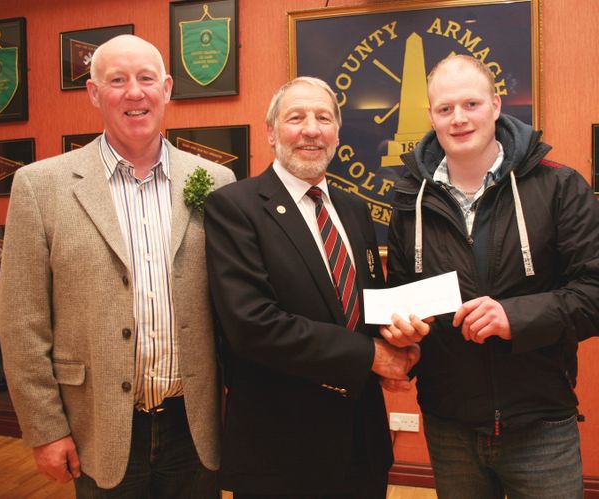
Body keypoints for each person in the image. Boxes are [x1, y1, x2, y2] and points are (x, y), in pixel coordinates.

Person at [0, 35, 235, 497]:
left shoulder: (216, 183)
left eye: (146, 79)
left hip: (194, 426)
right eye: (117, 80)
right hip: (97, 426)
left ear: (166, 89)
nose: (134, 92)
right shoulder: (40, 187)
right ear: (93, 93)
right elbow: (22, 323)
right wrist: (46, 429)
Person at [383, 54, 599, 498]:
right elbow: (399, 297)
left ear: (496, 105)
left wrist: (515, 317)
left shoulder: (559, 186)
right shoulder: (409, 201)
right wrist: (400, 331)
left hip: (541, 425)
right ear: (431, 117)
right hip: (449, 425)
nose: (459, 119)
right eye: (445, 109)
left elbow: (594, 291)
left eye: (471, 104)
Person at [204, 76, 424, 498]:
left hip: (362, 444)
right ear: (271, 132)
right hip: (280, 453)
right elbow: (252, 325)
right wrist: (371, 356)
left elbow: (362, 307)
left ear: (337, 134)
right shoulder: (235, 207)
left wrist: (400, 343)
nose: (311, 129)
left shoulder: (355, 209)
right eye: (296, 117)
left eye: (324, 118)